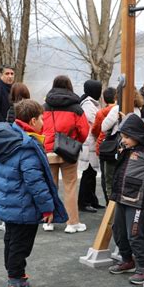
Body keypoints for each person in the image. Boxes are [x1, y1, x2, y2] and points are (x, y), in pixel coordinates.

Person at [0, 99, 68, 287]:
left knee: (12, 242)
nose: (43, 122)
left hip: (10, 203)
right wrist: (48, 208)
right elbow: (36, 183)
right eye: (41, 118)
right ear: (33, 120)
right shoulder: (26, 145)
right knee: (20, 247)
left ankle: (14, 279)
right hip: (23, 206)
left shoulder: (9, 139)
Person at [108, 113, 144, 285]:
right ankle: (127, 260)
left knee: (134, 234)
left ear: (136, 134)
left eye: (127, 136)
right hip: (122, 197)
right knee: (118, 230)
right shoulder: (125, 149)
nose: (124, 140)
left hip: (138, 200)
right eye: (122, 136)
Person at [42, 75, 89, 233]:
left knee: (50, 186)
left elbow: (40, 127)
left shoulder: (45, 106)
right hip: (68, 151)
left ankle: (48, 221)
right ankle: (72, 223)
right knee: (70, 187)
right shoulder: (76, 108)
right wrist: (76, 141)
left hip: (48, 150)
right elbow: (84, 131)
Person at [101, 90, 144, 204]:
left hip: (116, 147)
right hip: (132, 149)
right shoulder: (137, 110)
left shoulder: (117, 109)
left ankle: (111, 208)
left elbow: (104, 127)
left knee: (110, 178)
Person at [78, 80, 103, 213]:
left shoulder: (92, 103)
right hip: (88, 142)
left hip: (91, 142)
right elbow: (95, 122)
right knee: (87, 173)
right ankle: (84, 202)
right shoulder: (88, 105)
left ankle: (92, 200)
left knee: (91, 173)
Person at [91, 86, 117, 205]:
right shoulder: (123, 108)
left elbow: (96, 129)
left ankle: (109, 203)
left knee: (106, 176)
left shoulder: (101, 112)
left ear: (105, 99)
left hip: (104, 146)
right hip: (117, 146)